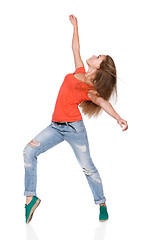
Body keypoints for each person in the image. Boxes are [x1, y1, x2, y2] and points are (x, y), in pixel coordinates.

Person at [23, 14, 128, 224]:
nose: (94, 55)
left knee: (88, 168)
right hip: (55, 126)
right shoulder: (79, 71)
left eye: (98, 57)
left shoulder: (90, 90)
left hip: (74, 130)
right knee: (28, 151)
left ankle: (102, 203)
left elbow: (103, 103)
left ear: (99, 67)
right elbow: (75, 49)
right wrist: (76, 26)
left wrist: (118, 118)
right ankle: (30, 198)